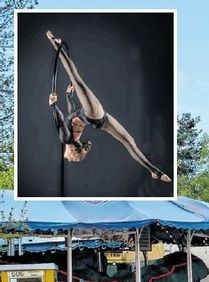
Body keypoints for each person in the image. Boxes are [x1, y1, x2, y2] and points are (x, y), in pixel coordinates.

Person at [45, 31, 171, 181]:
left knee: (129, 141)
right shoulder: (66, 139)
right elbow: (59, 121)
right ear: (72, 151)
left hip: (100, 120)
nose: (67, 159)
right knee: (75, 77)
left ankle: (154, 171)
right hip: (93, 114)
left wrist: (68, 96)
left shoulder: (70, 135)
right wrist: (53, 106)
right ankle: (55, 43)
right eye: (69, 159)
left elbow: (70, 114)